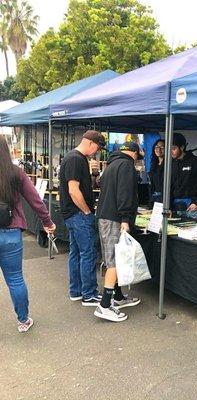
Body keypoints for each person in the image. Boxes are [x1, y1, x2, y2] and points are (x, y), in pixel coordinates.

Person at [0, 137, 56, 332]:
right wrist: (47, 222)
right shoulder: (16, 174)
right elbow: (36, 201)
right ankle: (23, 320)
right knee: (15, 279)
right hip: (11, 232)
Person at [94, 141, 142, 322]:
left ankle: (118, 297)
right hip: (115, 218)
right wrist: (125, 219)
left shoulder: (111, 164)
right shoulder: (127, 166)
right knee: (113, 261)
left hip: (105, 216)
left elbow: (101, 185)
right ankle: (105, 305)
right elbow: (125, 193)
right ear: (134, 154)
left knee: (114, 258)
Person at [59, 130, 106, 306]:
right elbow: (73, 190)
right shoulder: (76, 159)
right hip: (78, 214)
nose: (96, 152)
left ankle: (77, 291)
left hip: (72, 214)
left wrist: (94, 175)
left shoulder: (75, 158)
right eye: (97, 148)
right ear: (90, 143)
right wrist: (86, 211)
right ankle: (89, 293)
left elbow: (80, 187)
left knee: (76, 253)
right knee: (88, 253)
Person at [170, 133, 197, 220]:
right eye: (169, 149)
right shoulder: (170, 163)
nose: (171, 152)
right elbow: (169, 186)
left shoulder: (195, 161)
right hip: (176, 205)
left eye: (174, 148)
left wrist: (196, 202)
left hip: (192, 205)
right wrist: (169, 206)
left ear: (182, 147)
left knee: (194, 231)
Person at [149, 139, 165, 204]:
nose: (159, 149)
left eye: (162, 147)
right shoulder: (154, 164)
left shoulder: (170, 164)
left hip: (165, 199)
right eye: (157, 147)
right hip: (155, 199)